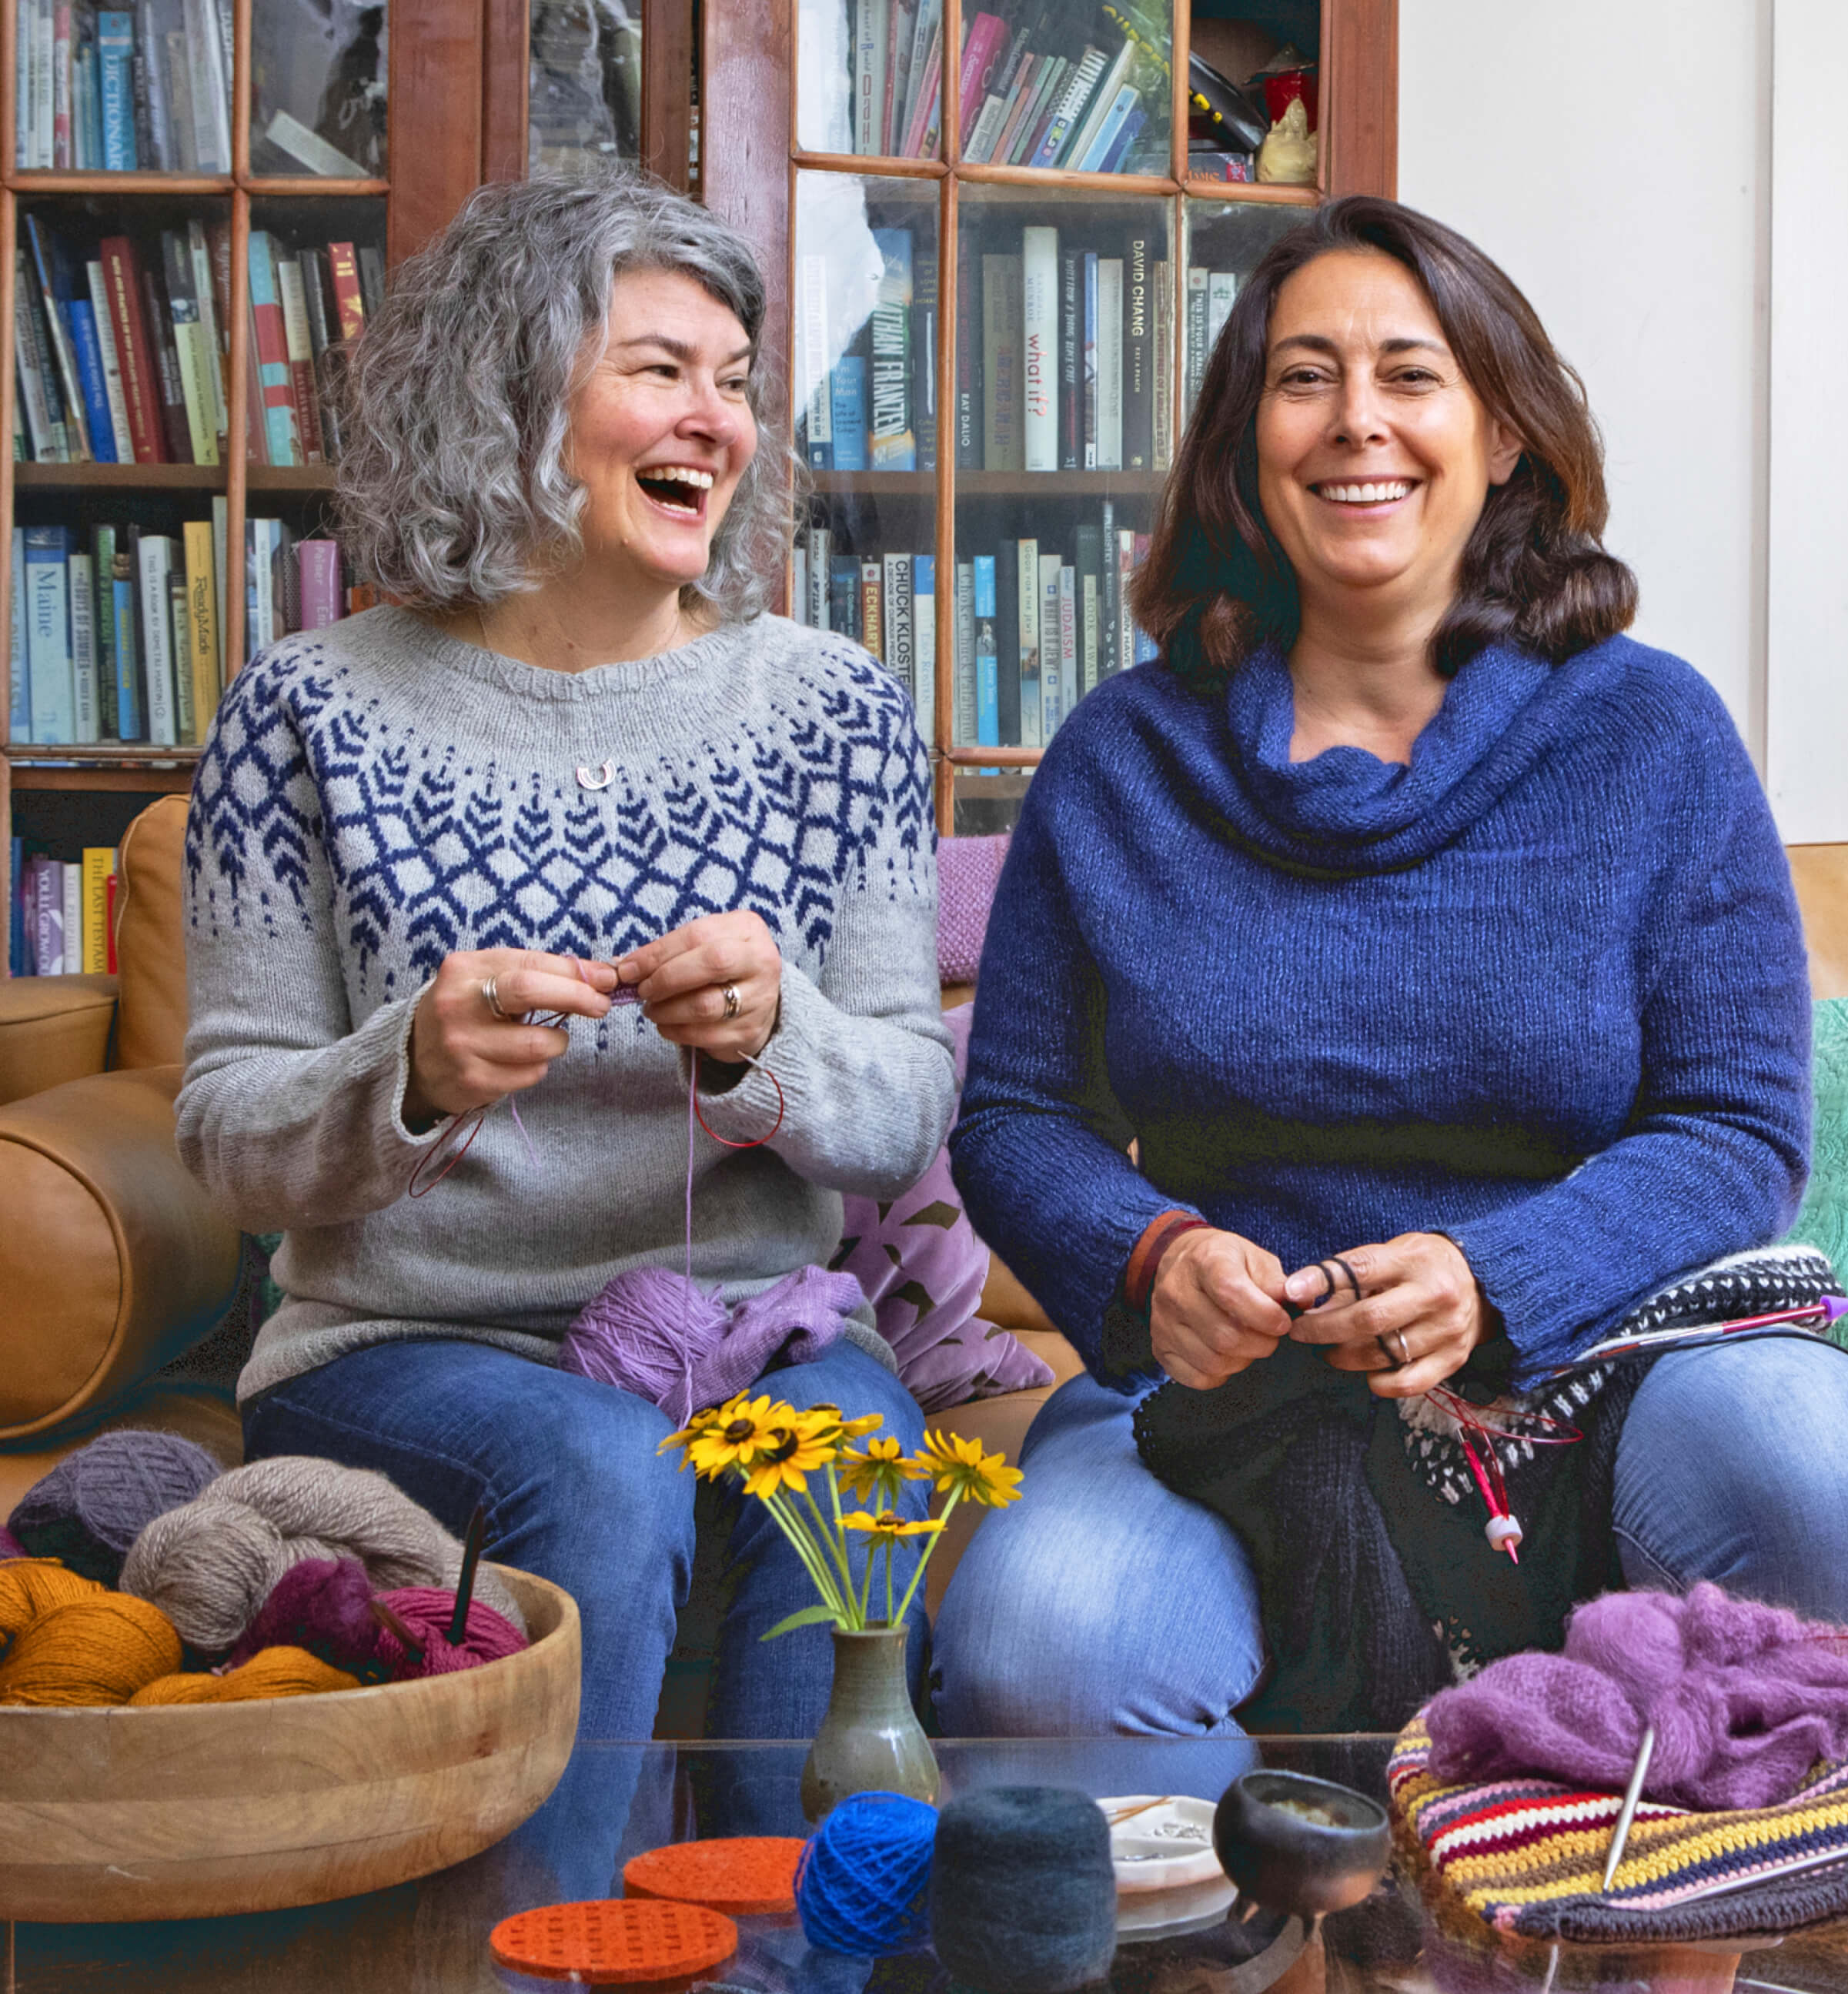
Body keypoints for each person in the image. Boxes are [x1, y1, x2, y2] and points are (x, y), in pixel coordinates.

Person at [933, 195, 1848, 1739]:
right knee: (1043, 1647)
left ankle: (1674, 1942)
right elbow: (1016, 1112)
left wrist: (1496, 1279)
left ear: (1501, 436)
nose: (1358, 421)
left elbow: (1738, 1128)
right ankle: (1261, 1970)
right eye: (1304, 377)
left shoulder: (1647, 734)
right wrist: (1152, 1259)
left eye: (1410, 375)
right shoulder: (1119, 760)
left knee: (1808, 1476)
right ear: (1246, 441)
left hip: (1612, 1362)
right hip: (1227, 1400)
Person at [177, 165, 953, 1749]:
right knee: (600, 1468)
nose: (715, 423)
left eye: (733, 386)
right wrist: (401, 1071)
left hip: (759, 1330)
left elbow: (901, 1112)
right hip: (399, 1348)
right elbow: (226, 1135)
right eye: (658, 371)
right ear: (509, 395)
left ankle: (788, 1964)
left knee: (858, 1478)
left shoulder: (834, 711)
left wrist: (769, 1041)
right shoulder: (304, 714)